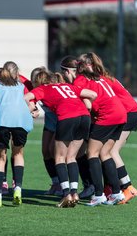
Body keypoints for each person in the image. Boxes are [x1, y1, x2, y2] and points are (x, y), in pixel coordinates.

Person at [25, 70, 97, 207]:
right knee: (71, 157)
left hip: (67, 118)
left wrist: (32, 110)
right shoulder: (67, 86)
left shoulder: (43, 88)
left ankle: (65, 194)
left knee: (59, 157)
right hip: (84, 117)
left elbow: (26, 98)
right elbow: (92, 94)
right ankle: (74, 192)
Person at [74, 52, 127, 206]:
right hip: (120, 114)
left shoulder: (81, 80)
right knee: (105, 153)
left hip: (107, 116)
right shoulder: (100, 76)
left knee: (91, 153)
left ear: (82, 66)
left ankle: (98, 194)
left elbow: (88, 104)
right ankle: (117, 193)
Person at [0, 61, 34, 207]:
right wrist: (30, 111)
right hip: (20, 122)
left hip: (1, 122)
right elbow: (31, 104)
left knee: (0, 157)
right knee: (18, 155)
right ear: (17, 73)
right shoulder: (22, 86)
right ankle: (18, 189)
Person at [102, 72, 137, 204]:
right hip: (131, 112)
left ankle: (128, 187)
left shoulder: (101, 80)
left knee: (111, 151)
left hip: (129, 113)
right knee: (109, 151)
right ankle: (113, 187)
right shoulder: (106, 76)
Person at [60, 55, 95, 199]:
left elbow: (88, 104)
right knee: (81, 154)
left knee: (83, 154)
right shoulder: (81, 80)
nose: (62, 75)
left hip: (90, 120)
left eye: (63, 72)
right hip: (88, 119)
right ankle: (93, 186)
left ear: (68, 71)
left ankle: (92, 186)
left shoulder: (79, 83)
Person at [29, 67, 62, 196]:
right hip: (49, 123)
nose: (32, 84)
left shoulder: (50, 89)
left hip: (60, 122)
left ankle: (62, 183)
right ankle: (55, 183)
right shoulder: (36, 90)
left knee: (54, 151)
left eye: (34, 81)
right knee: (45, 152)